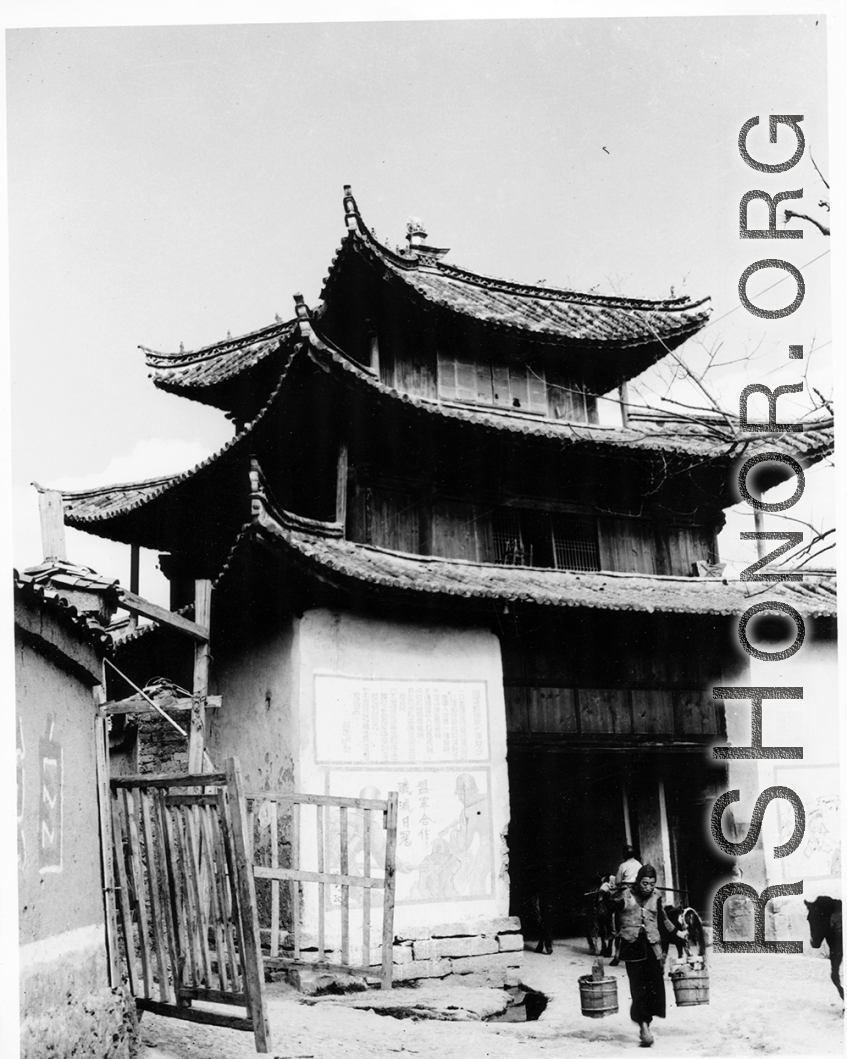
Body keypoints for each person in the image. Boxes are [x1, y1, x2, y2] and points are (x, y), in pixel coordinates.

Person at [608, 864, 683, 1048]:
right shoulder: (624, 895)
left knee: (655, 987)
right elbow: (607, 911)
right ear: (638, 881)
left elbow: (662, 919)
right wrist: (607, 899)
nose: (648, 887)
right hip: (632, 947)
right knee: (638, 989)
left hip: (652, 947)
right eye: (645, 883)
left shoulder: (656, 896)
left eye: (652, 883)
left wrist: (677, 933)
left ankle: (646, 1023)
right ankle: (643, 1027)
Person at [610, 845, 642, 965]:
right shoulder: (639, 864)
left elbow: (617, 882)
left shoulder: (623, 866)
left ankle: (616, 954)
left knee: (614, 914)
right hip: (638, 894)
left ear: (624, 855)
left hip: (626, 893)